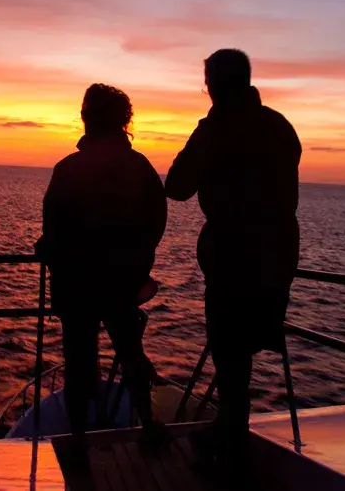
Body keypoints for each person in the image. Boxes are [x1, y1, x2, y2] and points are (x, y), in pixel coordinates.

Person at [165, 49, 301, 476]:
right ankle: (230, 433)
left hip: (235, 257)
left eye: (208, 82)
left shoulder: (218, 128)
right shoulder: (279, 126)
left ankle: (232, 450)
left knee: (230, 351)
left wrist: (206, 129)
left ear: (216, 85)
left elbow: (177, 185)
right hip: (277, 256)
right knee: (242, 350)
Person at [36, 83, 167, 443]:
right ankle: (148, 425)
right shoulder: (140, 168)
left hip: (76, 284)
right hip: (123, 282)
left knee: (80, 363)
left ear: (86, 119)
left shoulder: (68, 169)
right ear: (123, 121)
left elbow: (53, 229)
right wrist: (136, 266)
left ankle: (78, 439)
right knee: (130, 352)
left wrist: (52, 250)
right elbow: (155, 223)